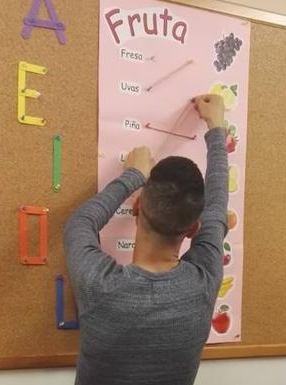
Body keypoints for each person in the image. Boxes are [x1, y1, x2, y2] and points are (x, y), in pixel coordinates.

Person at [64, 94, 228, 385]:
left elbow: (80, 223)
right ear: (193, 230)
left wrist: (133, 175)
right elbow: (216, 208)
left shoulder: (100, 286)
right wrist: (216, 126)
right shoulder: (204, 281)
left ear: (137, 206)